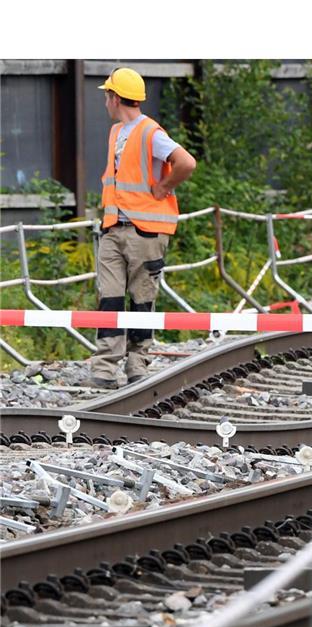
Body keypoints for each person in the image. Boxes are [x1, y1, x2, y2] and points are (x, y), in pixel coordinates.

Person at [87, 67, 196, 388]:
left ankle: (137, 364)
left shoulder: (150, 132)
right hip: (113, 228)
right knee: (109, 297)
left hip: (145, 230)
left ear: (115, 97)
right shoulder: (116, 132)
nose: (105, 102)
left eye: (107, 96)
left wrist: (164, 187)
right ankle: (105, 366)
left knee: (141, 299)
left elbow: (186, 162)